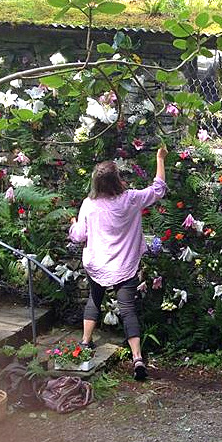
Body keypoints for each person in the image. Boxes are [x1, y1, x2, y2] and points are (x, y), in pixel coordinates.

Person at [69, 146, 168, 380]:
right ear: (117, 180)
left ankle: (85, 342)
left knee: (94, 300)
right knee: (128, 309)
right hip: (124, 265)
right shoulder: (131, 199)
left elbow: (79, 236)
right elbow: (159, 189)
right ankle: (137, 358)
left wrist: (73, 224)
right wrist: (160, 159)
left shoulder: (89, 204)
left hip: (97, 265)